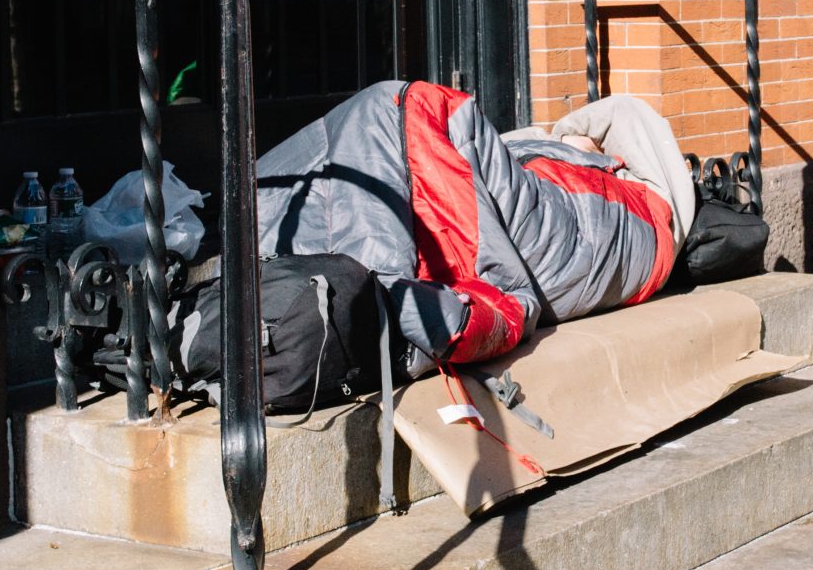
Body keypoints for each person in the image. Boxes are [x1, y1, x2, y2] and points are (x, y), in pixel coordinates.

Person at [256, 81, 695, 367]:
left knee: (401, 106)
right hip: (549, 246)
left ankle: (343, 273)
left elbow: (617, 117)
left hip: (539, 242)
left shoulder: (635, 196)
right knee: (398, 145)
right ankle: (340, 277)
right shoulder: (641, 229)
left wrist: (562, 142)